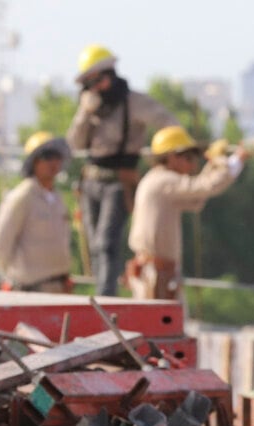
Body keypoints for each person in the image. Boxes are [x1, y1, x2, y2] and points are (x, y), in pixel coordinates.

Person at [66, 44, 178, 296]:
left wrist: (168, 152)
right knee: (95, 245)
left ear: (111, 75)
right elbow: (75, 143)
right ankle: (102, 291)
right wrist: (85, 113)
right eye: (90, 84)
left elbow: (169, 123)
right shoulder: (91, 107)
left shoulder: (134, 102)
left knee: (107, 243)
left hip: (119, 182)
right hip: (90, 181)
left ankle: (106, 299)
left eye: (99, 81)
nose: (97, 88)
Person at [126, 125, 246, 300]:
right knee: (163, 318)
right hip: (156, 273)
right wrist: (225, 162)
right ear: (171, 157)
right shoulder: (165, 181)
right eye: (188, 157)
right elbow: (206, 186)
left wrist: (215, 165)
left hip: (154, 271)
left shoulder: (156, 180)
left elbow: (197, 198)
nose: (193, 163)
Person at [0, 131, 73, 293]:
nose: (54, 162)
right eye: (47, 156)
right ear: (34, 161)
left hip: (58, 287)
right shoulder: (22, 197)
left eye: (57, 156)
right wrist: (9, 278)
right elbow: (1, 245)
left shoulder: (57, 198)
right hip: (29, 290)